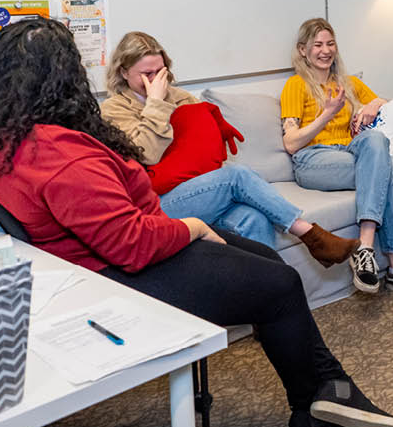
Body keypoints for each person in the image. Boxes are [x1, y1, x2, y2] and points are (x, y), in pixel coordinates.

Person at [0, 18, 393, 427]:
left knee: (263, 254)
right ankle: (311, 404)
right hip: (117, 276)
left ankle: (326, 388)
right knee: (281, 282)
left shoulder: (4, 144)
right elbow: (133, 244)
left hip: (97, 258)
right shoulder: (63, 157)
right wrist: (191, 227)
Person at [100, 31, 359, 267]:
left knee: (254, 220)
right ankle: (309, 233)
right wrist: (155, 103)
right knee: (236, 175)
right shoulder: (114, 110)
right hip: (155, 205)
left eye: (161, 71)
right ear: (124, 73)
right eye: (147, 74)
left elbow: (205, 149)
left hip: (198, 188)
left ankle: (271, 298)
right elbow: (147, 154)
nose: (156, 79)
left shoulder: (182, 98)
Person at [280, 17, 393, 302]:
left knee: (378, 143)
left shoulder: (348, 83)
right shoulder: (296, 85)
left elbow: (386, 102)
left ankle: (366, 248)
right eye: (317, 44)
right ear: (303, 50)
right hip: (312, 160)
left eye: (330, 43)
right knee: (392, 168)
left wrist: (370, 106)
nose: (325, 50)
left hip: (347, 155)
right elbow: (291, 143)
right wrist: (327, 114)